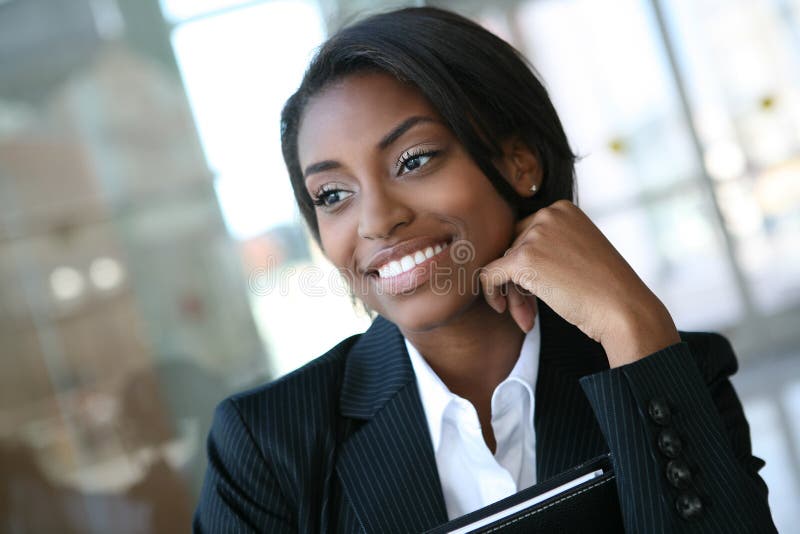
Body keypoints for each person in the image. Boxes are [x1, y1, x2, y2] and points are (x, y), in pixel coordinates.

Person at [193, 7, 776, 533]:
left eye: (413, 160)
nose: (377, 220)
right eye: (333, 195)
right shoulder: (266, 447)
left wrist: (632, 324)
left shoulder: (668, 372)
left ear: (519, 162)